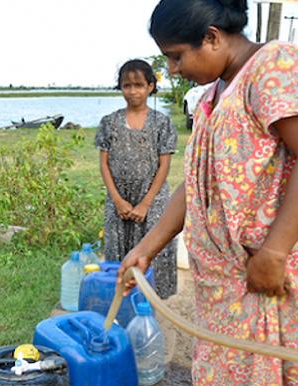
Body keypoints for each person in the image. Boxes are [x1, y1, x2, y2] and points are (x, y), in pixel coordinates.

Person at [118, 1, 298, 384]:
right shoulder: (218, 91)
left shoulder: (278, 67)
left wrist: (274, 252)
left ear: (211, 37)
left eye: (176, 57)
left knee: (286, 369)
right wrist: (147, 248)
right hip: (231, 288)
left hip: (273, 278)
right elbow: (199, 184)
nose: (174, 70)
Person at [95, 59, 178, 299]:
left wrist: (145, 204)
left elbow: (164, 165)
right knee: (118, 255)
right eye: (127, 85)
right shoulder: (109, 122)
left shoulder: (162, 123)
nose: (133, 91)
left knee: (154, 253)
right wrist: (118, 201)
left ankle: (152, 305)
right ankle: (120, 302)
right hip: (119, 199)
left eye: (139, 85)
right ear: (120, 88)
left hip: (152, 200)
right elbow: (104, 164)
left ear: (151, 86)